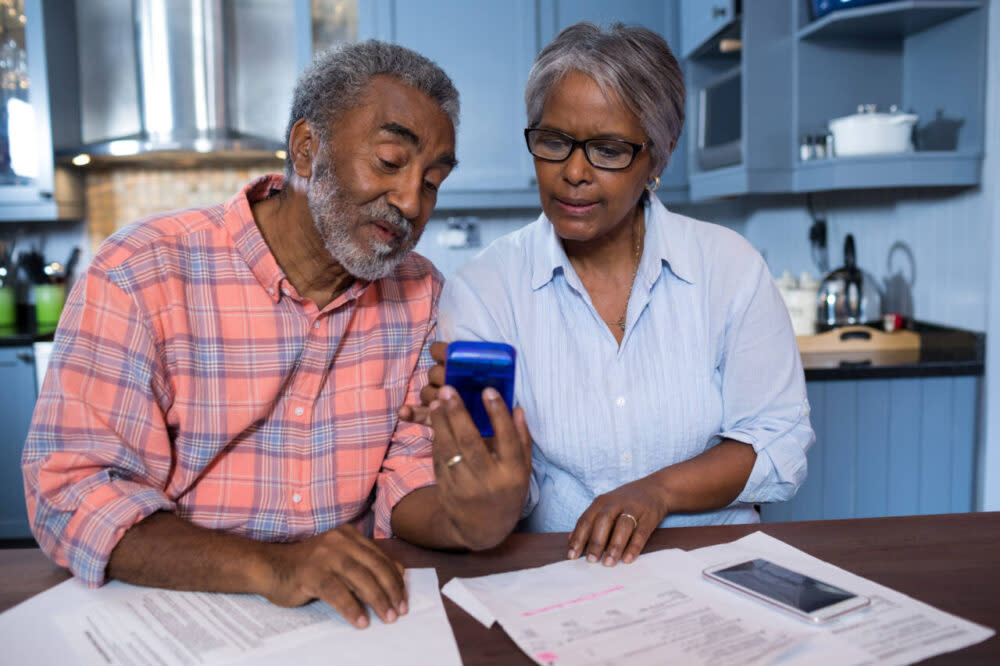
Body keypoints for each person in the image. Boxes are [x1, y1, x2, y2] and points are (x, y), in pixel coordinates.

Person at [22, 41, 532, 630]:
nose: (412, 201)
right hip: (169, 608)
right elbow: (73, 494)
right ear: (307, 150)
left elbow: (409, 480)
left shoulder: (421, 294)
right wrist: (274, 568)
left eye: (434, 180)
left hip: (345, 617)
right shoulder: (141, 271)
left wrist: (475, 518)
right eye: (391, 161)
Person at [403, 23, 813, 567]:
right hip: (559, 571)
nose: (574, 172)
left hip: (717, 565)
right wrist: (475, 451)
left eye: (609, 150)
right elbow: (502, 490)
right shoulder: (485, 288)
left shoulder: (728, 267)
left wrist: (657, 491)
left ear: (659, 156)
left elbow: (778, 441)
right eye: (553, 142)